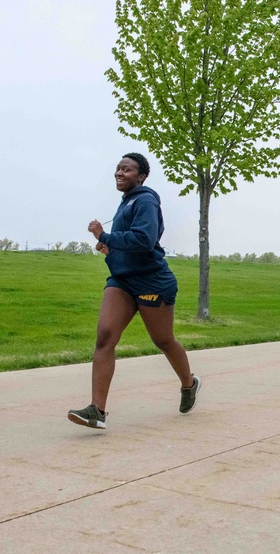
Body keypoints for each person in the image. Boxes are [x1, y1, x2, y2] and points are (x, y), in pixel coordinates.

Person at [68, 153, 199, 429]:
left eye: (126, 169)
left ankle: (189, 384)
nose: (119, 173)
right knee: (105, 336)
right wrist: (109, 250)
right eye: (118, 168)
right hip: (122, 281)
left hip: (152, 282)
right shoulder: (126, 202)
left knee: (163, 340)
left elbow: (144, 239)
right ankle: (97, 410)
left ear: (141, 177)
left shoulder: (146, 200)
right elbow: (128, 248)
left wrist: (104, 236)